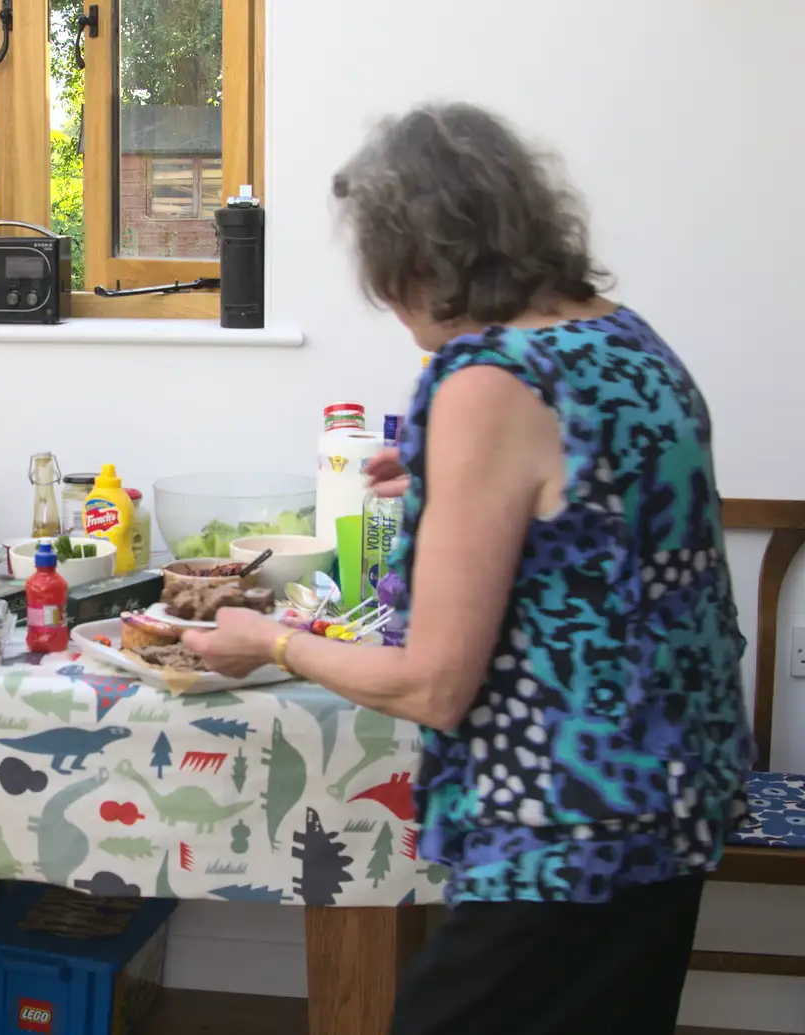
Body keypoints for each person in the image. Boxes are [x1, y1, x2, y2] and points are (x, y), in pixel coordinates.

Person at [183, 103, 753, 1035]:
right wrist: (454, 475)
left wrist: (269, 640)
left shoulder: (489, 380)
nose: (397, 313)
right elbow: (599, 508)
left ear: (422, 259)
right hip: (673, 802)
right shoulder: (629, 342)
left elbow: (432, 683)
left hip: (565, 832)